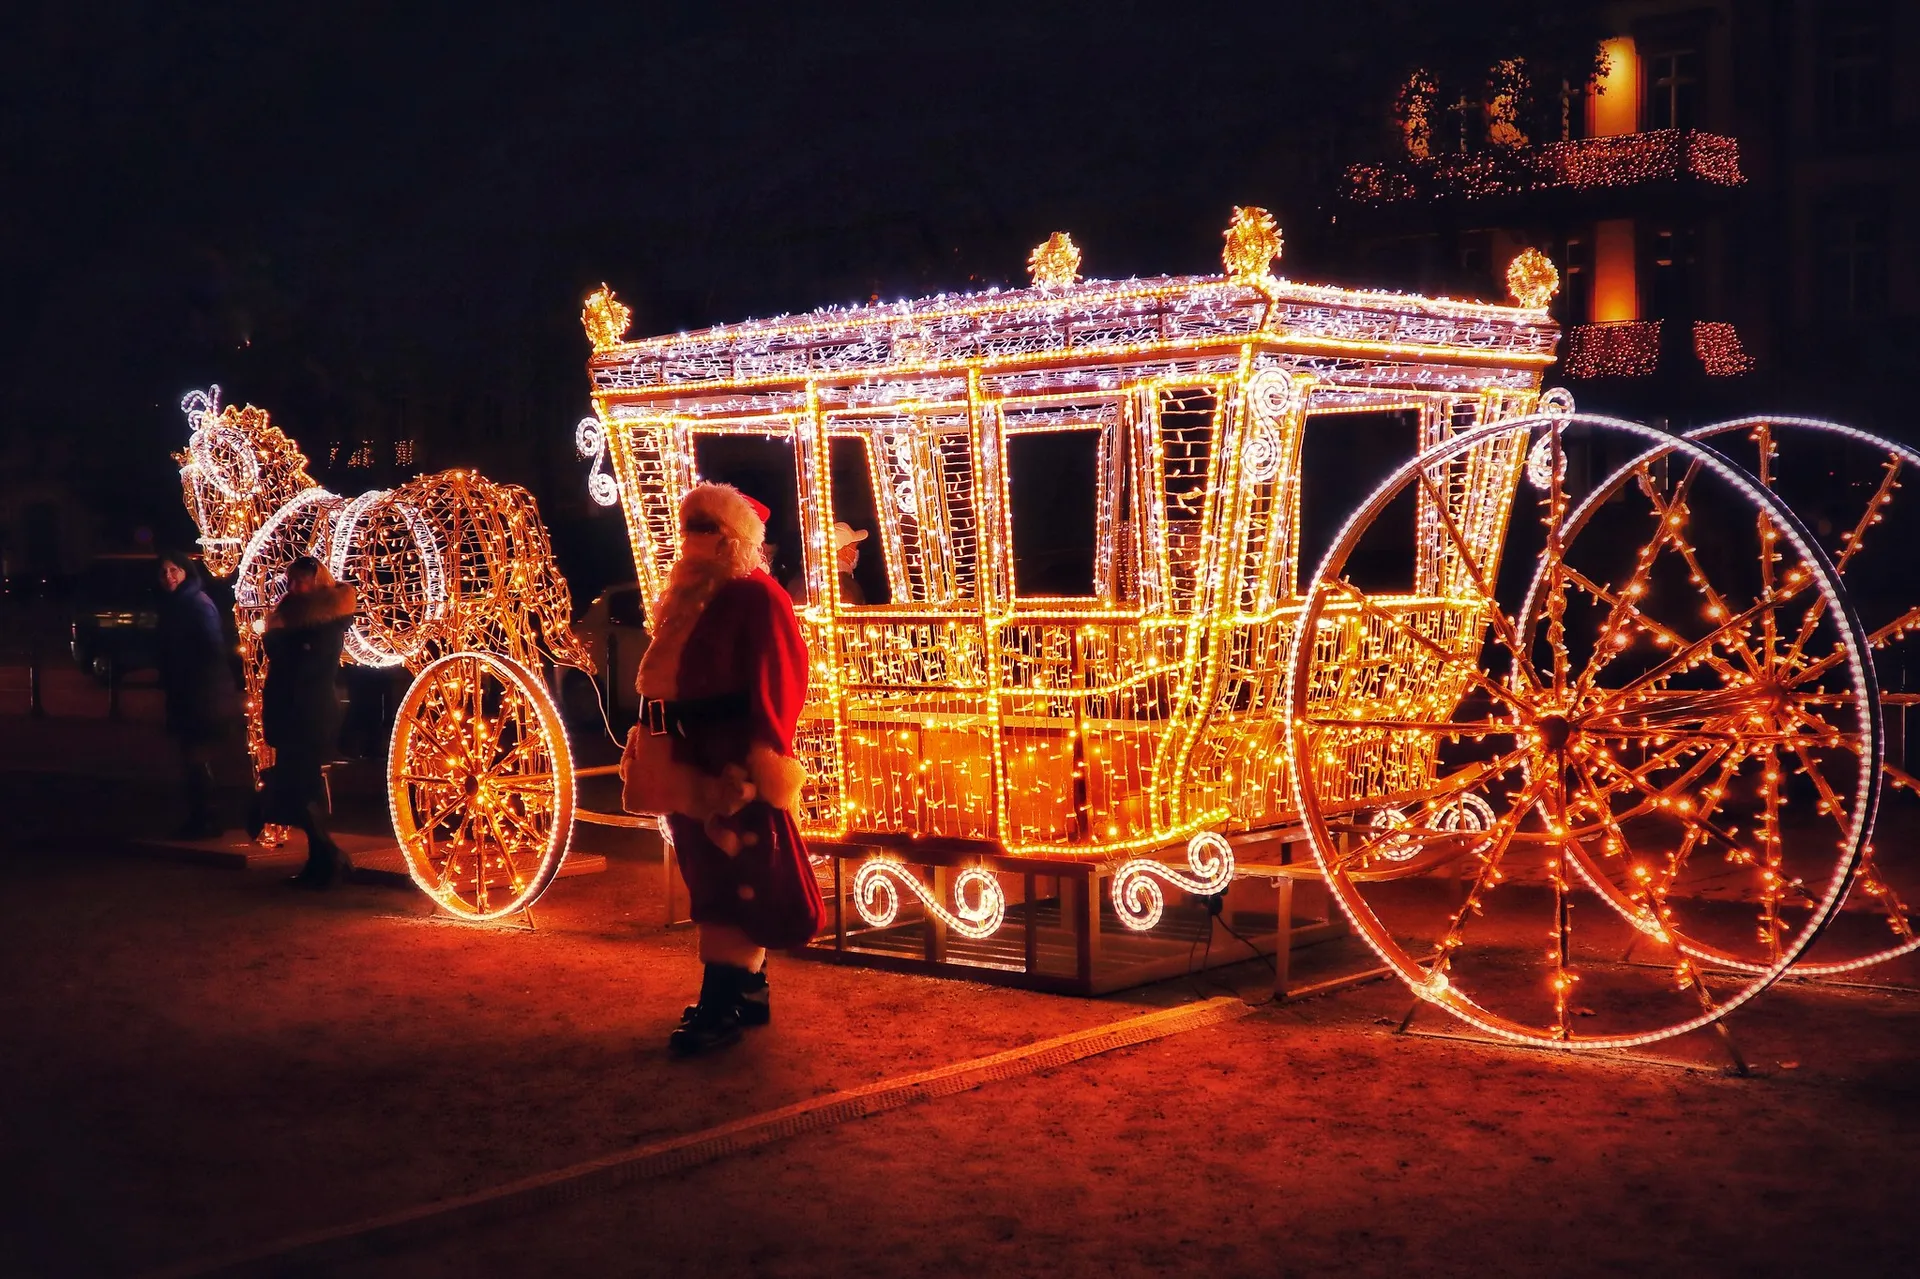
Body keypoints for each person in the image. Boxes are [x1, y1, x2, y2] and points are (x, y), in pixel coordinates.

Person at [631, 483, 825, 1055]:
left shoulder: (756, 596)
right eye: (689, 526)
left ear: (735, 537)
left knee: (729, 876)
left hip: (723, 761)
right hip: (681, 754)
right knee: (703, 867)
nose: (694, 539)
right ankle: (749, 989)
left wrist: (760, 757)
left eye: (707, 527)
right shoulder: (692, 597)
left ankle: (723, 998)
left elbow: (780, 681)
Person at [260, 556, 357, 887]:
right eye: (291, 581)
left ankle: (330, 857)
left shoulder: (326, 621)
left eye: (301, 581)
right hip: (292, 713)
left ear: (317, 583)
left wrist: (275, 639)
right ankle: (322, 860)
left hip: (309, 714)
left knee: (298, 789)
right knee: (298, 789)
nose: (294, 587)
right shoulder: (293, 615)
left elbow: (305, 669)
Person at [155, 549, 240, 838]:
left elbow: (211, 648)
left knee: (196, 754)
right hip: (186, 691)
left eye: (174, 570)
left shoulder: (196, 604)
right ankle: (201, 815)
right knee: (190, 756)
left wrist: (190, 672)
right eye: (164, 572)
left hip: (201, 692)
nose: (169, 577)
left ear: (186, 571)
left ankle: (206, 818)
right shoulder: (175, 605)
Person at [782, 521, 869, 605]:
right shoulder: (848, 587)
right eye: (854, 547)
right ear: (844, 551)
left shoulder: (797, 582)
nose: (856, 551)